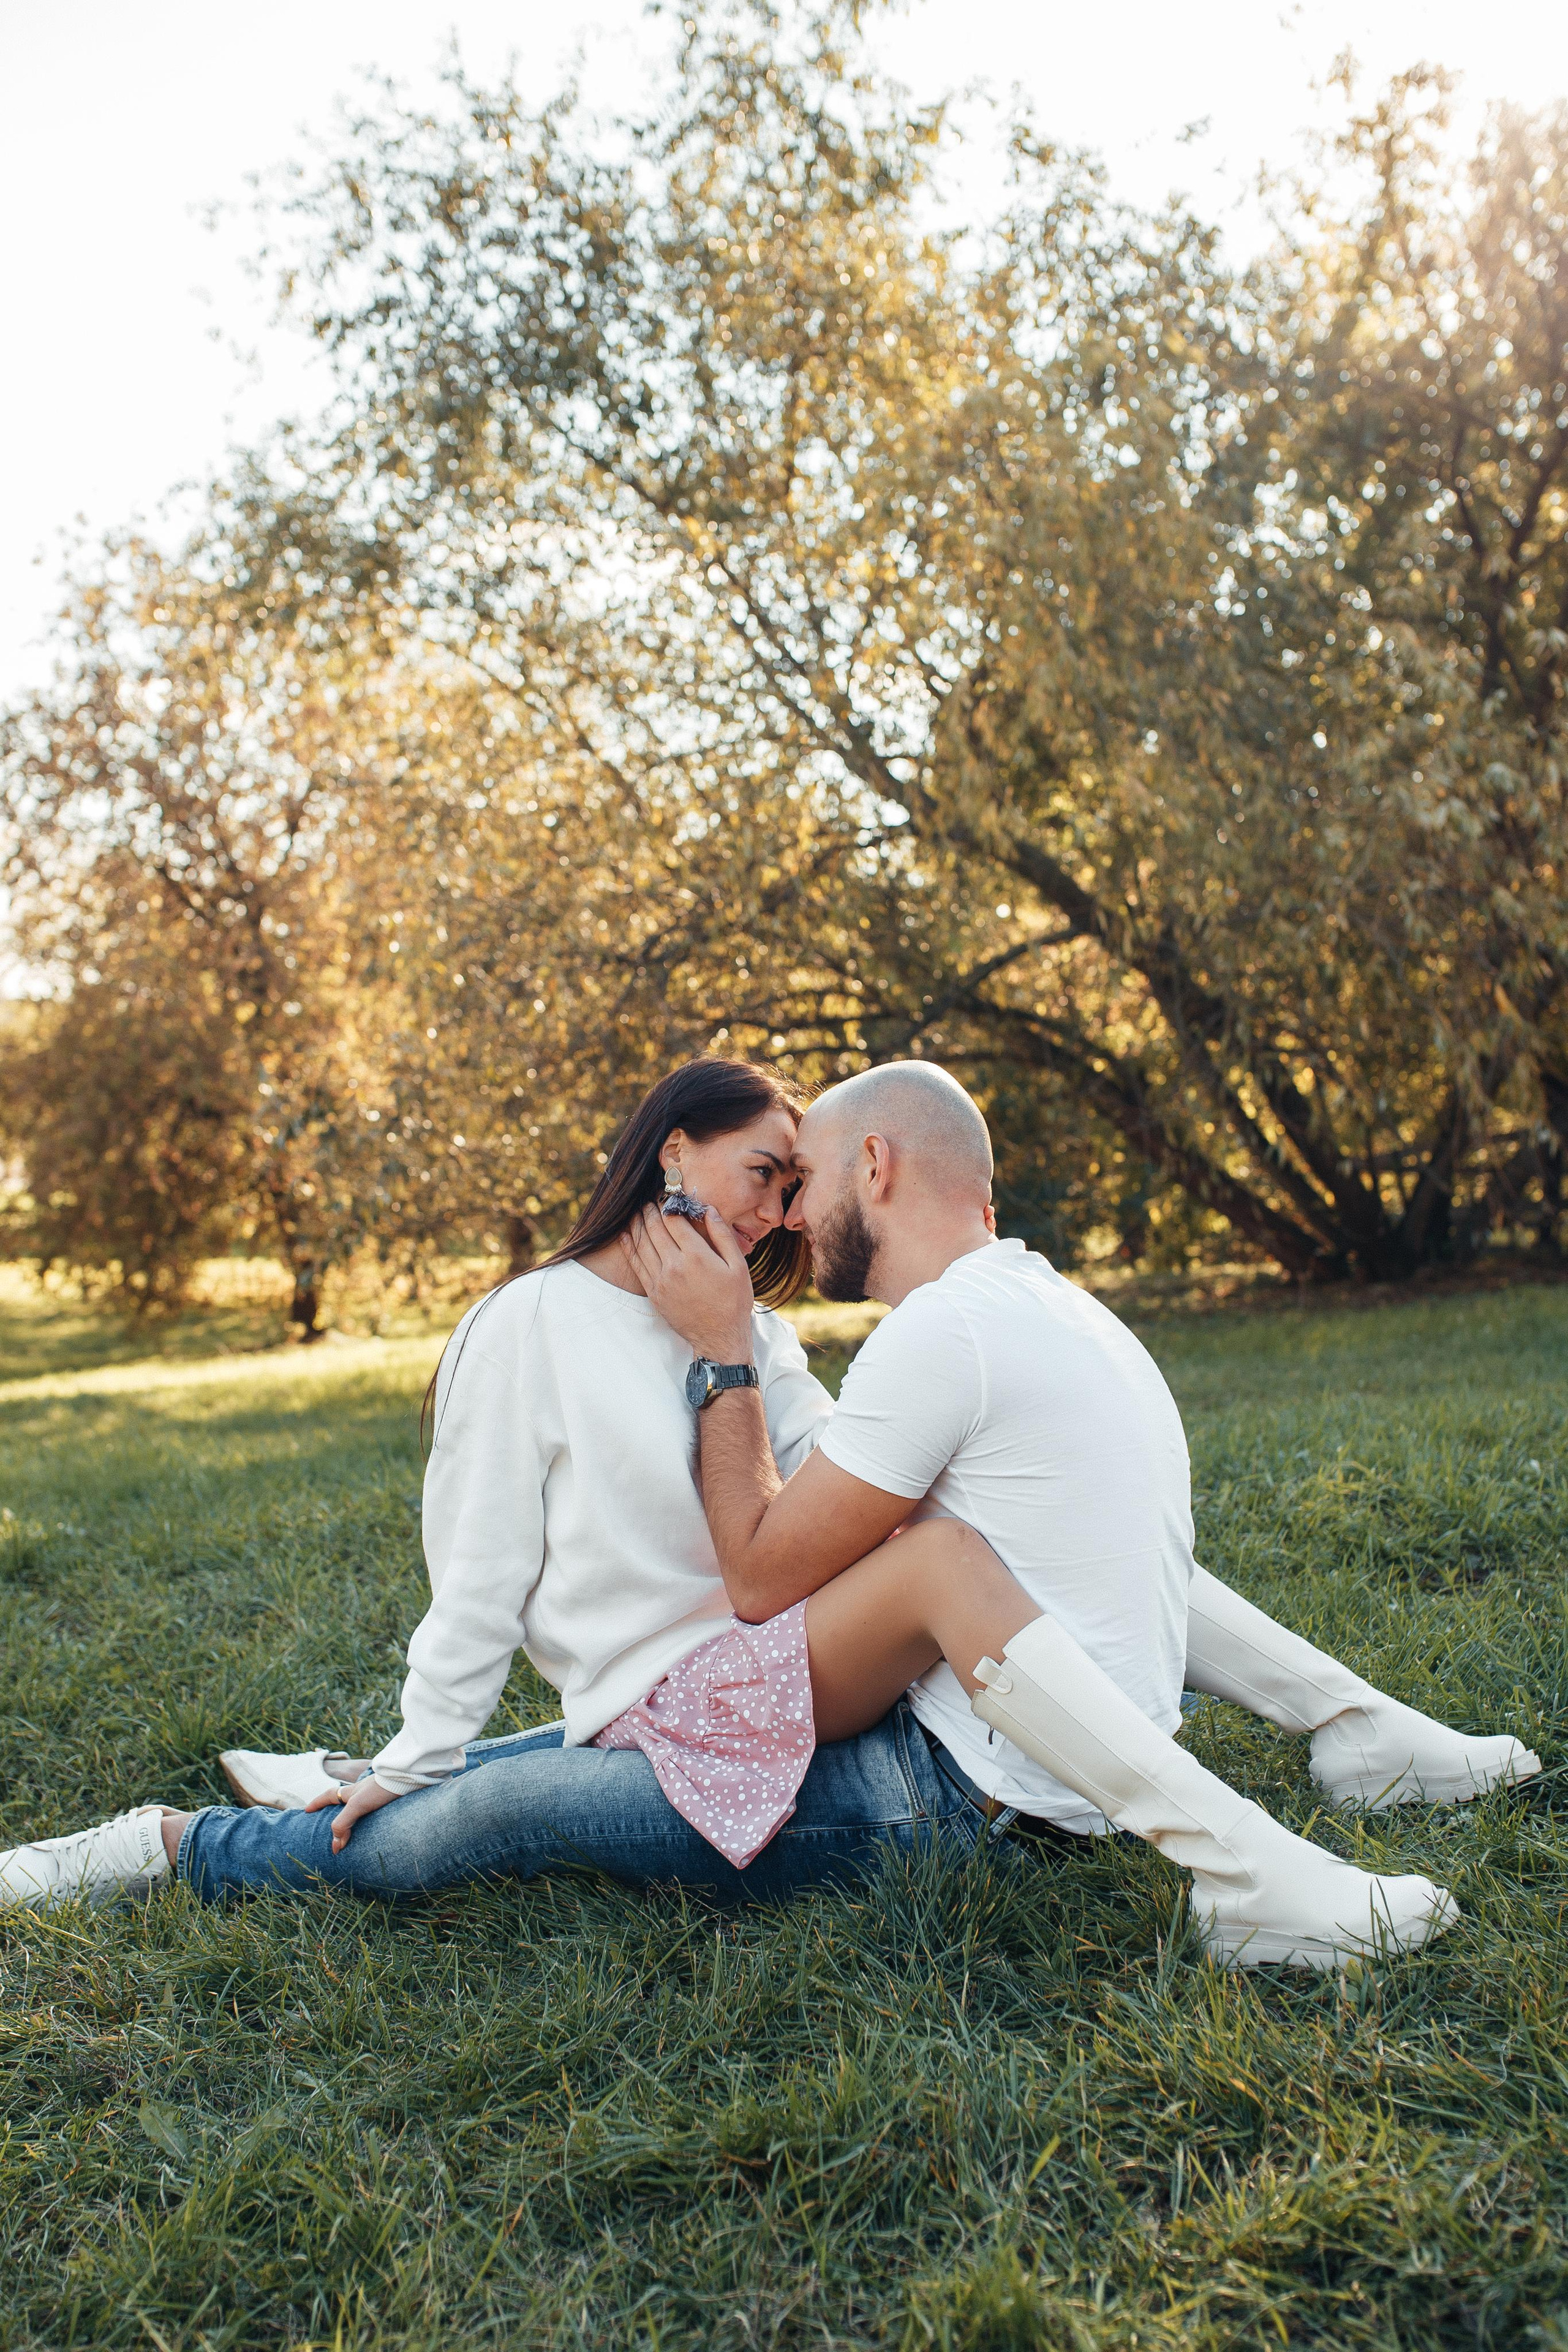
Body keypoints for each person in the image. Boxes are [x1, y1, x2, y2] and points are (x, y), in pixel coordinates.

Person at [0, 1060, 1535, 1967]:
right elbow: (474, 1588)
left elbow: (816, 1538)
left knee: (922, 1534)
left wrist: (730, 1349)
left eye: (799, 1183)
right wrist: (414, 1749)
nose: (780, 1214)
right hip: (678, 1710)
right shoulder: (525, 1329)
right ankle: (160, 1844)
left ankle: (1312, 1790)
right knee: (427, 1825)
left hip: (770, 1697)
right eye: (756, 1174)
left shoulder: (769, 1340)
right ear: (669, 1154)